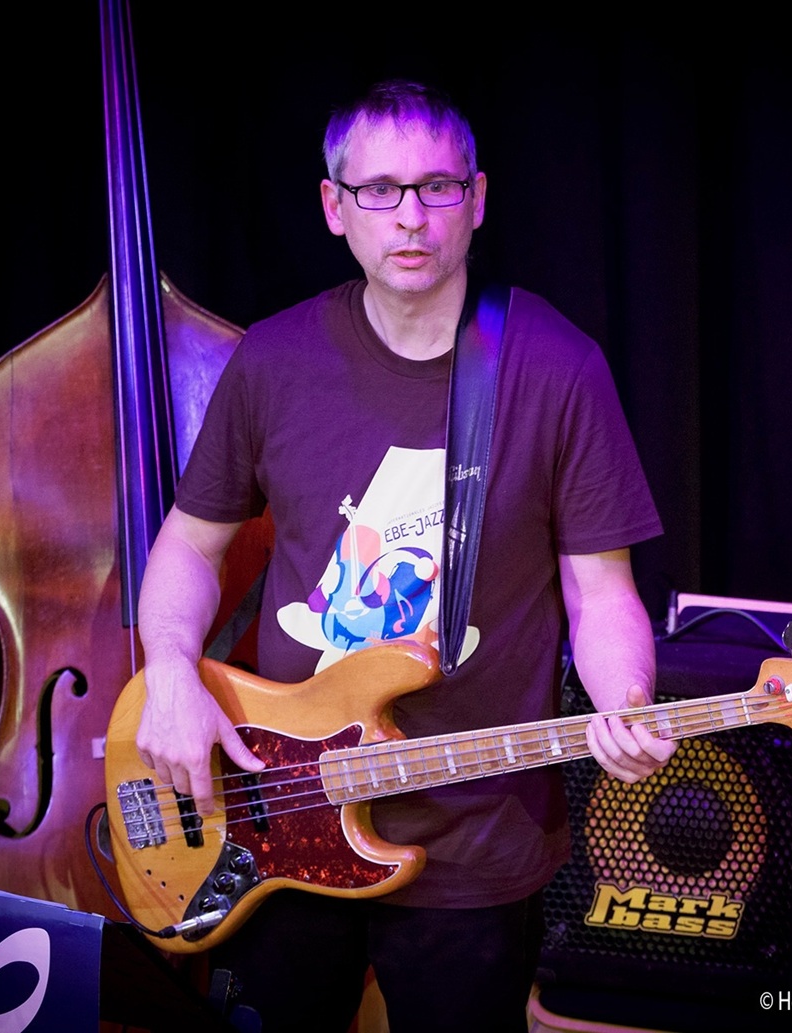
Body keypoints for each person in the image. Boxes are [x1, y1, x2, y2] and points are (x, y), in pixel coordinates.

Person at [133, 79, 675, 1033]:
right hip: (276, 809)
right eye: (380, 190)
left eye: (437, 187)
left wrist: (624, 700)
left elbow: (601, 596)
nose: (411, 216)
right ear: (334, 206)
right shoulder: (274, 360)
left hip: (476, 836)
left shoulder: (556, 367)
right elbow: (188, 541)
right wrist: (171, 671)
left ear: (478, 198)